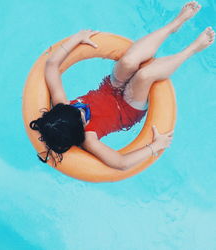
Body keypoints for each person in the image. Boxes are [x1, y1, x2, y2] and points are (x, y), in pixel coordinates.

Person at [30, 1, 215, 170]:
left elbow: (51, 65)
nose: (81, 110)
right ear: (80, 131)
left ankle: (174, 25)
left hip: (109, 88)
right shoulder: (89, 139)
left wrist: (78, 37)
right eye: (82, 116)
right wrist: (155, 146)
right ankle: (192, 49)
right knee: (144, 75)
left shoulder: (63, 105)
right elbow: (121, 163)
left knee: (128, 62)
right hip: (127, 108)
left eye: (77, 109)